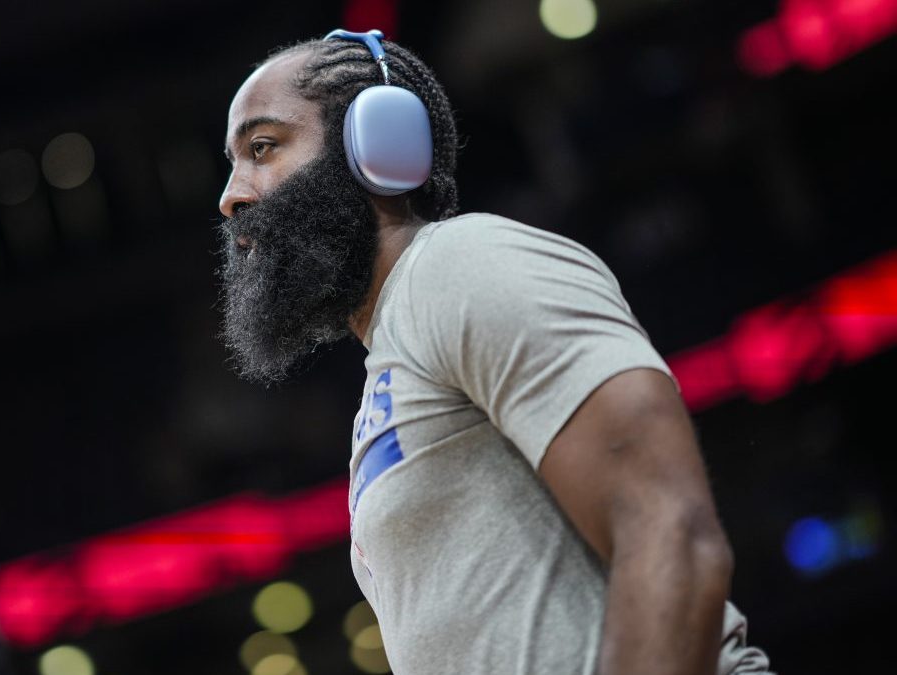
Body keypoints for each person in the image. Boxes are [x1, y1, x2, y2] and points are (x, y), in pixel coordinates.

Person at [215, 29, 772, 675]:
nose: (231, 197)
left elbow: (671, 531)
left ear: (375, 142)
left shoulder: (462, 264)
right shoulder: (392, 360)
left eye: (263, 147)